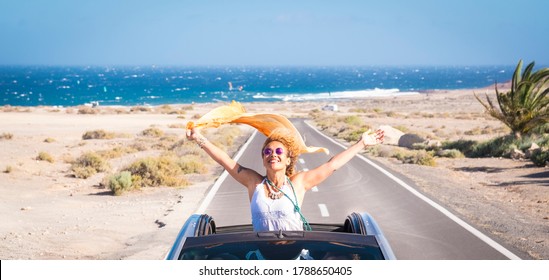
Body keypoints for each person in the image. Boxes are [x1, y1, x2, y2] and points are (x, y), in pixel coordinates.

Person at [186, 126, 384, 232]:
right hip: (261, 260)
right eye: (268, 151)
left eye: (279, 151)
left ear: (288, 158)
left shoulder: (297, 183)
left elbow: (331, 165)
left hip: (295, 258)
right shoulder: (254, 183)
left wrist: (361, 144)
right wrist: (198, 138)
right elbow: (225, 161)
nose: (273, 154)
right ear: (263, 158)